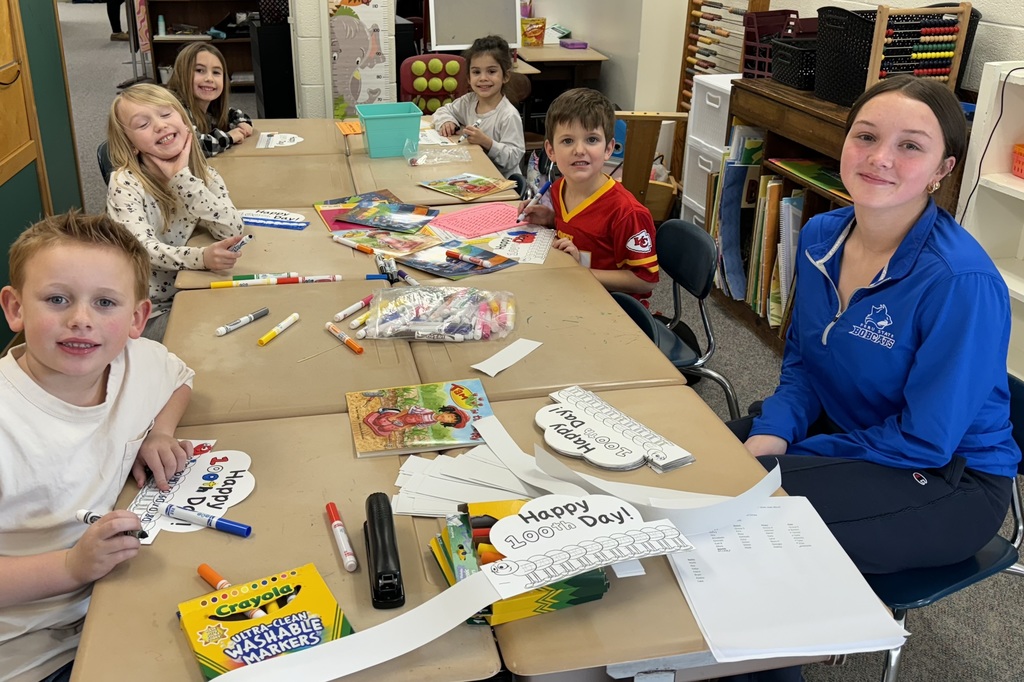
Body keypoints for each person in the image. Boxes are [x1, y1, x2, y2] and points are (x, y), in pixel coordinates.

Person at [722, 76, 1021, 682]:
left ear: (944, 168)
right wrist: (774, 432)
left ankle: (786, 653)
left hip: (948, 480)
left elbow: (927, 439)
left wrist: (795, 453)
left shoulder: (960, 281)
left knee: (748, 529)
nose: (881, 157)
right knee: (693, 469)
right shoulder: (820, 235)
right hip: (854, 433)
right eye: (866, 136)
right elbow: (804, 364)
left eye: (912, 146)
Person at [0, 211, 195, 682]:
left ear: (137, 318)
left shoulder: (135, 361)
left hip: (119, 601)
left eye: (105, 303)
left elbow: (180, 380)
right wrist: (71, 567)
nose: (81, 319)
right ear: (15, 308)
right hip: (35, 653)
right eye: (57, 299)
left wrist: (159, 433)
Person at [105, 83, 244, 342]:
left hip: (190, 288)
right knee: (221, 340)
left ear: (184, 119)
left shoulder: (203, 174)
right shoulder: (125, 183)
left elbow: (232, 228)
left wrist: (182, 179)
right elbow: (142, 249)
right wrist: (201, 258)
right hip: (146, 313)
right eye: (143, 124)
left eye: (166, 114)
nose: (160, 125)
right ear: (130, 143)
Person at [521, 88, 658, 304]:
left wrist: (582, 271)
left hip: (615, 307)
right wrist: (549, 220)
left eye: (592, 139)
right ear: (550, 150)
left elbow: (645, 280)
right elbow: (579, 229)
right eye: (567, 141)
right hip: (570, 290)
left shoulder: (627, 212)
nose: (579, 150)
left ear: (609, 148)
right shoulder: (558, 188)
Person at [432, 35, 525, 178]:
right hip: (473, 175)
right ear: (469, 78)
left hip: (501, 183)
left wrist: (487, 143)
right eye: (476, 72)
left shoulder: (508, 115)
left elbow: (514, 157)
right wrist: (447, 121)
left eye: (491, 71)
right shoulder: (469, 101)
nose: (483, 78)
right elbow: (444, 110)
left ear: (505, 76)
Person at [167, 43, 254, 157]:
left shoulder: (210, 107)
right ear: (181, 74)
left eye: (216, 72)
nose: (209, 78)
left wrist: (242, 123)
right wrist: (229, 137)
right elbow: (194, 146)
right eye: (199, 70)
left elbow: (232, 114)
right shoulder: (174, 110)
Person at [363, 404, 470, 438]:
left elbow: (413, 425)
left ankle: (381, 428)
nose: (446, 418)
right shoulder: (427, 411)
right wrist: (395, 417)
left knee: (385, 428)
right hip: (399, 417)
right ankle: (375, 420)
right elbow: (406, 410)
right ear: (446, 412)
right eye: (449, 416)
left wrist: (402, 428)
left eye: (449, 421)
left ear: (447, 424)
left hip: (404, 423)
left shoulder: (431, 422)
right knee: (380, 421)